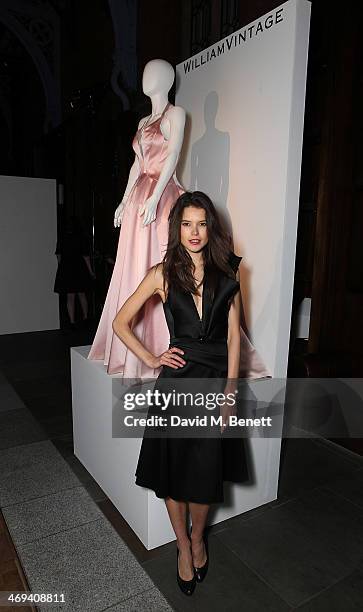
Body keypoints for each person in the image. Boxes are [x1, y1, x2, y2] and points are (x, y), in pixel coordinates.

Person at [112, 191, 251, 596]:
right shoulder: (162, 273)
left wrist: (229, 393)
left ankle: (197, 538)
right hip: (175, 385)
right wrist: (153, 358)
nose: (194, 232)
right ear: (177, 228)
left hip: (212, 386)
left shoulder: (228, 272)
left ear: (211, 227)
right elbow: (122, 322)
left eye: (202, 223)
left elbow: (234, 339)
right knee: (174, 476)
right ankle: (182, 548)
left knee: (205, 476)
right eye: (187, 224)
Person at [88, 59, 186, 376]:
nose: (146, 78)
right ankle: (131, 346)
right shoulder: (143, 120)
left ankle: (162, 343)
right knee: (131, 264)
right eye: (145, 72)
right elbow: (136, 164)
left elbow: (172, 156)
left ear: (167, 79)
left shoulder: (176, 114)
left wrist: (157, 196)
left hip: (161, 197)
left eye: (152, 73)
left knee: (155, 263)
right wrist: (123, 200)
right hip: (139, 197)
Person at [54, 215, 95, 327]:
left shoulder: (62, 237)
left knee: (70, 295)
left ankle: (72, 321)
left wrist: (62, 267)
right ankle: (85, 318)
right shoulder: (81, 237)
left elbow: (58, 255)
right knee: (81, 293)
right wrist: (90, 271)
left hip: (67, 267)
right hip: (79, 267)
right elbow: (85, 256)